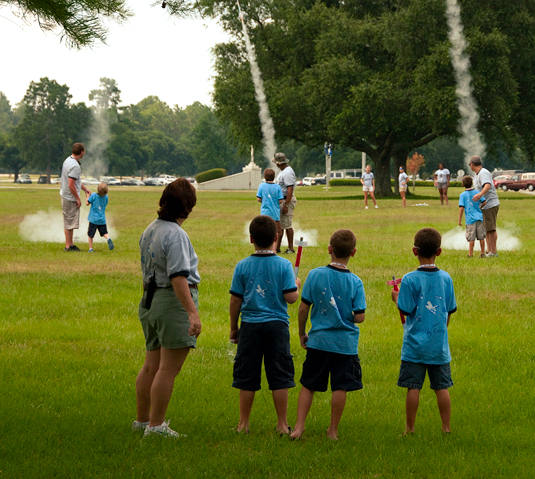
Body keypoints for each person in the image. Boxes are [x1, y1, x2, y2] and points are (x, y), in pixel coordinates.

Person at [134, 178, 202, 438]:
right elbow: (178, 277)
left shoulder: (151, 229)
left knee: (150, 365)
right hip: (170, 302)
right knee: (167, 369)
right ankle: (156, 426)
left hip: (150, 301)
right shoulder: (176, 235)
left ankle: (142, 420)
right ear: (188, 206)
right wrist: (192, 313)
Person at [290, 229, 366, 440]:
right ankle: (332, 430)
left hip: (319, 342)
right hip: (345, 344)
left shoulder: (315, 275)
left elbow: (303, 308)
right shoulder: (356, 282)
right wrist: (344, 316)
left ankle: (298, 427)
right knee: (340, 386)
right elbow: (360, 317)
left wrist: (302, 333)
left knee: (308, 384)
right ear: (354, 252)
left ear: (329, 250)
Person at [229, 215, 301, 434]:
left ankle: (243, 424)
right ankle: (281, 424)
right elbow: (291, 298)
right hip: (277, 327)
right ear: (276, 237)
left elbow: (235, 300)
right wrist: (297, 285)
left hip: (250, 326)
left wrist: (234, 327)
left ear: (251, 239)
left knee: (247, 377)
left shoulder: (242, 265)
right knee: (279, 376)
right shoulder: (284, 264)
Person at [391, 228, 457, 435]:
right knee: (441, 387)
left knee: (413, 387)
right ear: (439, 251)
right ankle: (446, 428)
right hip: (438, 345)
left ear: (414, 251)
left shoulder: (409, 279)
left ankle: (409, 428)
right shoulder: (446, 278)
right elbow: (449, 309)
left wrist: (396, 298)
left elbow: (406, 309)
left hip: (414, 346)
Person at [60, 143, 91, 252]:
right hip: (69, 197)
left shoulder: (68, 160)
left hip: (66, 195)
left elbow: (76, 181)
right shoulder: (75, 166)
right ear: (81, 152)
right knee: (69, 221)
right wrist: (78, 198)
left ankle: (71, 244)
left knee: (70, 220)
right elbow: (71, 184)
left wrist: (84, 189)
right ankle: (68, 246)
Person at [469, 155, 500, 257]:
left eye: (470, 164)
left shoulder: (484, 173)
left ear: (472, 164)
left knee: (491, 228)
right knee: (487, 229)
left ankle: (493, 252)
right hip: (484, 206)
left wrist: (480, 195)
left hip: (490, 204)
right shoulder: (477, 174)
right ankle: (489, 251)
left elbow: (487, 185)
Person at [274, 152, 297, 254]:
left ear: (278, 163)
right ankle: (277, 247)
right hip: (282, 199)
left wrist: (286, 205)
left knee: (287, 225)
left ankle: (291, 248)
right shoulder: (283, 171)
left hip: (286, 199)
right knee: (281, 225)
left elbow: (290, 189)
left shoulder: (287, 172)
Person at [458, 175, 486, 258]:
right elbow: (484, 202)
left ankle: (470, 254)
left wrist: (459, 220)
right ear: (472, 183)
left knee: (471, 238)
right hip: (479, 218)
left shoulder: (463, 195)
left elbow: (461, 207)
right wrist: (480, 207)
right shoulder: (477, 192)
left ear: (463, 184)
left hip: (470, 220)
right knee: (481, 237)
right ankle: (482, 253)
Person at [86, 182, 114, 252]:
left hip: (93, 220)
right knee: (104, 233)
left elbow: (87, 203)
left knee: (90, 235)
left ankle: (90, 248)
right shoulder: (106, 197)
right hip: (102, 220)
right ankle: (108, 238)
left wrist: (87, 196)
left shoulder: (94, 195)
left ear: (98, 189)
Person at [256, 168, 284, 233]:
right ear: (274, 177)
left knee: (264, 230)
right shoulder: (277, 187)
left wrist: (264, 201)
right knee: (277, 231)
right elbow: (281, 200)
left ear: (265, 177)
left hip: (264, 213)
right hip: (275, 214)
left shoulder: (261, 186)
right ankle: (275, 242)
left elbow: (258, 198)